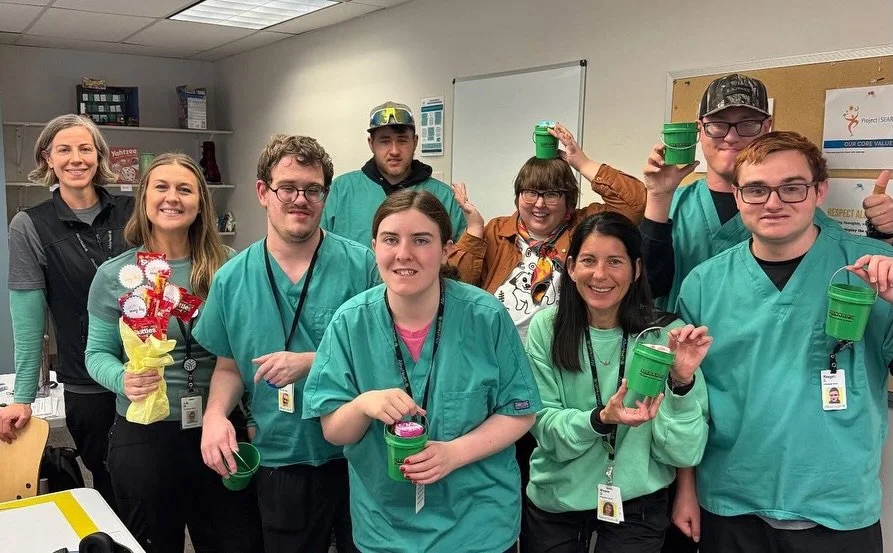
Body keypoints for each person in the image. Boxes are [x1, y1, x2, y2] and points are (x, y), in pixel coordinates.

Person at [676, 131, 893, 553]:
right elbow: (687, 401)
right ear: (738, 196)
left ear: (819, 191)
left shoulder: (872, 270)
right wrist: (686, 487)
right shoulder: (704, 284)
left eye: (792, 188)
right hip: (731, 502)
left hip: (836, 508)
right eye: (756, 189)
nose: (773, 203)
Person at [303, 189, 542, 553]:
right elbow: (334, 431)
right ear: (374, 247)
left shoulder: (485, 317)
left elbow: (520, 411)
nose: (404, 253)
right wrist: (364, 405)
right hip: (386, 528)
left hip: (478, 526)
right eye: (390, 240)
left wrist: (454, 453)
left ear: (447, 250)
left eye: (421, 240)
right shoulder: (350, 323)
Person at [196, 135, 380, 553]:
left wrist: (313, 361)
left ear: (325, 196)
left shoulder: (362, 267)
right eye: (288, 188)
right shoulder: (232, 279)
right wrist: (215, 415)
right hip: (280, 456)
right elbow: (229, 366)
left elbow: (385, 355)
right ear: (263, 191)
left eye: (313, 189)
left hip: (357, 452)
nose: (301, 199)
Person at [85, 153, 262, 553]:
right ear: (144, 197)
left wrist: (251, 418)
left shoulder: (228, 266)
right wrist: (123, 379)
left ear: (201, 202)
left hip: (219, 426)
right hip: (145, 435)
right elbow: (96, 354)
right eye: (161, 187)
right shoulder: (115, 275)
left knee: (236, 542)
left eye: (185, 189)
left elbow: (247, 349)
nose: (172, 198)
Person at [521, 212, 710, 553]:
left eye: (615, 262)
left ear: (636, 270)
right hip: (557, 500)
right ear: (571, 267)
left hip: (637, 504)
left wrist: (681, 383)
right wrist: (600, 419)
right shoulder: (546, 328)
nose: (600, 274)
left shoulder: (666, 336)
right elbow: (545, 428)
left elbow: (683, 451)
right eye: (588, 260)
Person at [0, 114, 133, 510]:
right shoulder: (30, 225)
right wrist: (23, 397)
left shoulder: (133, 211)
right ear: (48, 158)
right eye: (64, 150)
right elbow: (28, 322)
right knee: (111, 484)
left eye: (85, 149)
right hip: (88, 383)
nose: (76, 159)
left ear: (99, 156)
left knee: (159, 482)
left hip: (150, 374)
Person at [449, 122, 647, 342]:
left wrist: (582, 163)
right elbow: (454, 288)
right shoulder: (498, 231)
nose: (539, 204)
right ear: (518, 197)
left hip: (559, 351)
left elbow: (634, 204)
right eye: (530, 193)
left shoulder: (583, 229)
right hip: (496, 347)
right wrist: (474, 230)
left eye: (551, 194)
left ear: (568, 201)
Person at [321, 101, 466, 246]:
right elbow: (318, 246)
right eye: (385, 141)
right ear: (371, 143)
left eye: (402, 141)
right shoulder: (341, 190)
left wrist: (474, 228)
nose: (394, 151)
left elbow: (460, 255)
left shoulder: (444, 197)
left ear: (415, 142)